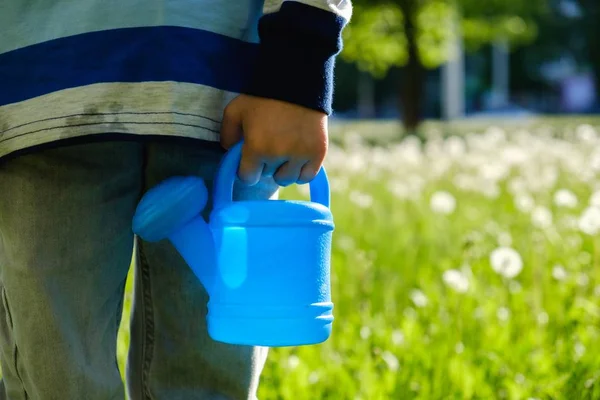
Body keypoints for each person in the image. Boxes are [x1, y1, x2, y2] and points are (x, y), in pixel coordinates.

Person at [0, 0, 352, 399]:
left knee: (211, 379)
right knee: (57, 379)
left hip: (233, 96)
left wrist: (297, 65)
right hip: (38, 95)